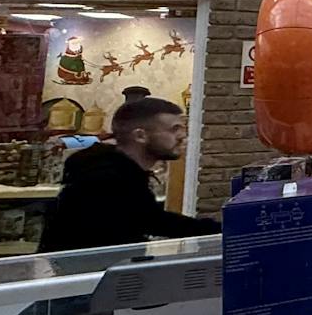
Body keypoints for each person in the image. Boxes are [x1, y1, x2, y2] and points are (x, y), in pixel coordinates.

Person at [38, 97, 220, 253]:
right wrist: (219, 230)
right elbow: (150, 221)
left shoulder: (122, 173)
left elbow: (150, 218)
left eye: (182, 128)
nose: (182, 136)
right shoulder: (104, 180)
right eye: (174, 129)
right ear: (140, 136)